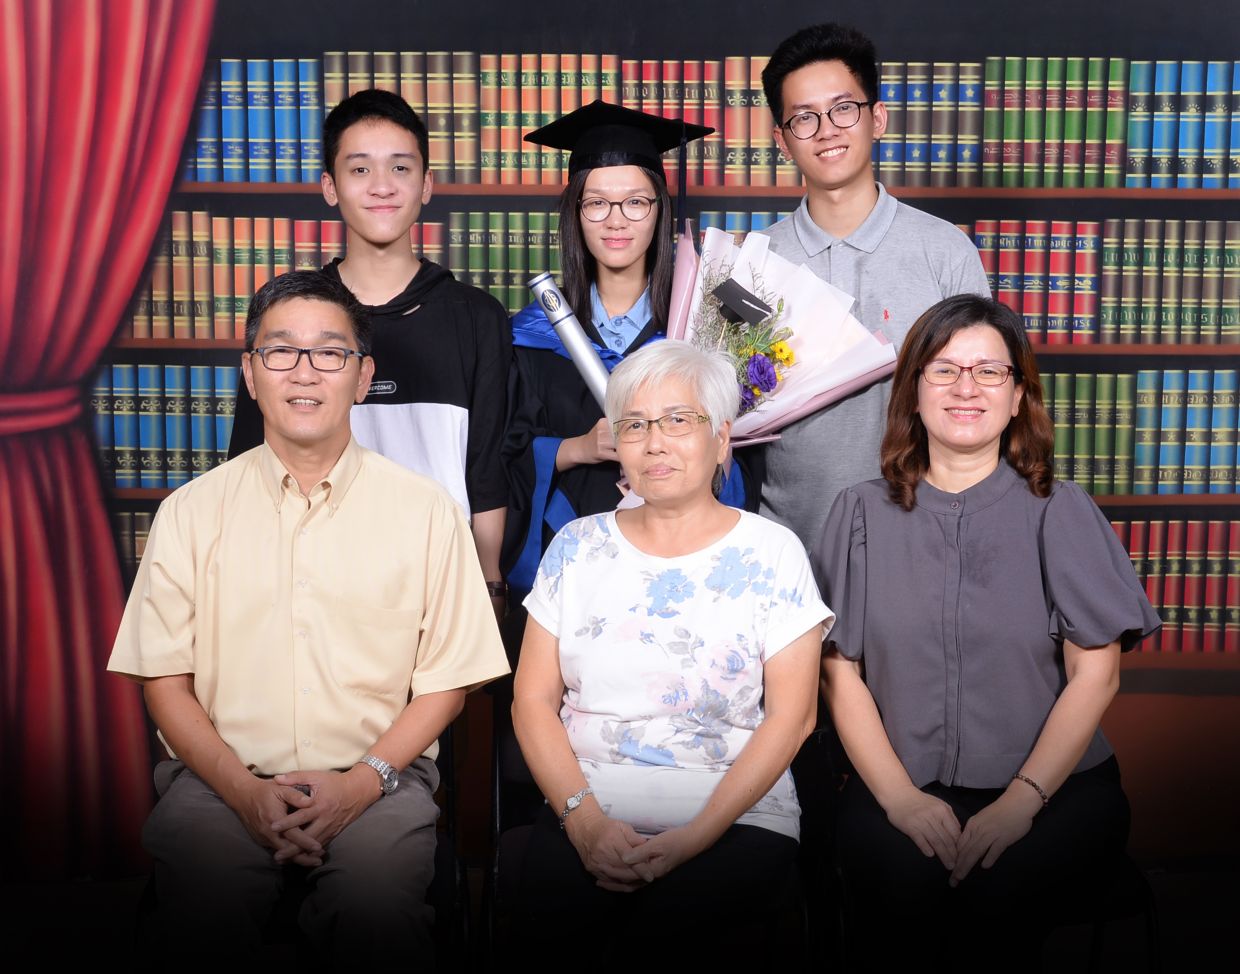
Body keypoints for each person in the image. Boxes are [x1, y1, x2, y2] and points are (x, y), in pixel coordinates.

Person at [108, 272, 510, 967]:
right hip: (217, 784)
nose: (305, 372)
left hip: (380, 781)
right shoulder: (190, 513)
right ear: (250, 374)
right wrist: (242, 791)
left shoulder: (426, 513)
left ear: (362, 376)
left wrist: (361, 783)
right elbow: (164, 681)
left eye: (329, 353)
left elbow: (450, 679)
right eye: (280, 352)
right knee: (201, 915)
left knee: (378, 916)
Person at [814, 295, 1160, 971]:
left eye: (988, 372)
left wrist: (1019, 805)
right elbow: (837, 672)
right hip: (900, 782)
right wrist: (901, 800)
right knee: (898, 897)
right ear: (913, 392)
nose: (965, 388)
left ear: (1017, 396)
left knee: (994, 899)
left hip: (1054, 789)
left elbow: (1098, 674)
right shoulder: (858, 513)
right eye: (943, 370)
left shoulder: (1060, 512)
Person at [510, 340, 833, 963]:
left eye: (678, 421)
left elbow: (795, 718)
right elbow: (531, 700)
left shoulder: (773, 552)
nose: (654, 441)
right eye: (634, 424)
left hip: (736, 813)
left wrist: (694, 837)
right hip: (588, 803)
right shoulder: (576, 547)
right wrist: (585, 823)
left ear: (722, 439)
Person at [228, 88, 512, 617]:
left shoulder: (475, 316)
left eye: (400, 168)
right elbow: (250, 460)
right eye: (359, 170)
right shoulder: (291, 315)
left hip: (437, 586)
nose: (382, 186)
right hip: (308, 585)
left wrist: (489, 584)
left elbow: (488, 467)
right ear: (330, 188)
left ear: (426, 184)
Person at [502, 100, 756, 621]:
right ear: (575, 212)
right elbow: (497, 460)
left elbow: (749, 455)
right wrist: (577, 448)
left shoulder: (707, 325)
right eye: (596, 203)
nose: (616, 220)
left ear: (660, 209)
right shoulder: (530, 335)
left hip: (686, 566)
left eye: (636, 202)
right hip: (569, 568)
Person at [757, 23, 992, 550]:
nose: (826, 130)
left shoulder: (945, 251)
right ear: (781, 140)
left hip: (922, 540)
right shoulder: (754, 263)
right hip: (784, 548)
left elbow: (984, 399)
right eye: (803, 118)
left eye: (844, 109)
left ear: (876, 117)